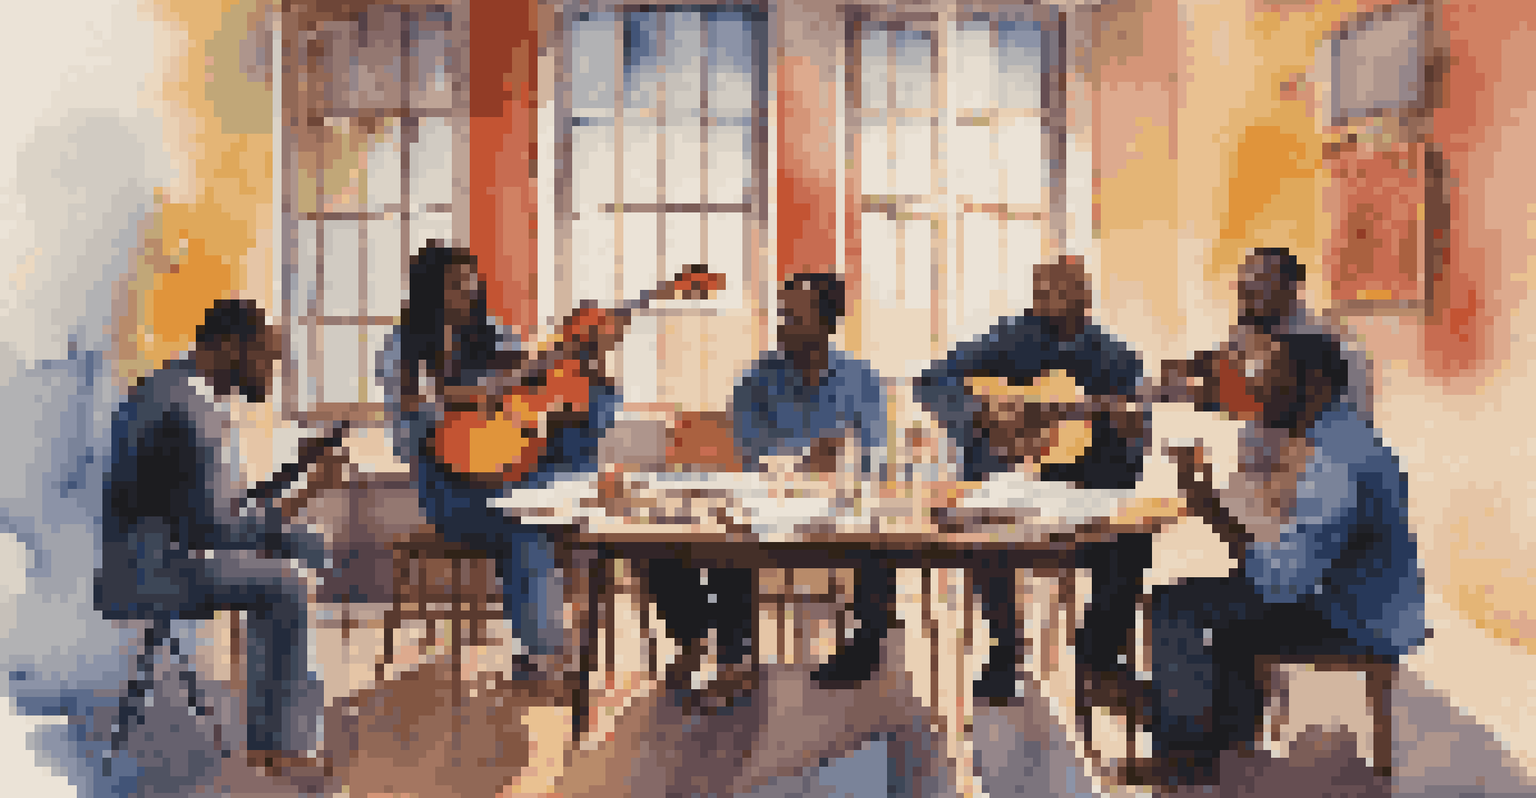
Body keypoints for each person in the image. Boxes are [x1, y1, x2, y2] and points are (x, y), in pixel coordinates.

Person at [1143, 331, 1426, 785]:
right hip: (1369, 600)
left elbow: (1282, 583)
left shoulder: (1337, 458)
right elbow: (1295, 557)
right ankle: (1225, 741)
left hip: (1354, 616)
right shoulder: (1343, 435)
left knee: (1174, 606)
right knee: (1223, 605)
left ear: (1310, 383)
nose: (1258, 389)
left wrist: (1206, 504)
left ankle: (1185, 757)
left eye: (1271, 378)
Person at [97, 299, 346, 778]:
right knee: (285, 583)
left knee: (302, 550)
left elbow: (209, 504)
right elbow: (222, 528)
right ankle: (281, 747)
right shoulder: (194, 405)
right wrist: (310, 491)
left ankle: (289, 714)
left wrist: (296, 471)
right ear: (232, 347)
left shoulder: (174, 386)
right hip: (155, 570)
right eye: (265, 359)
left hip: (144, 557)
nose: (271, 374)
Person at [914, 255, 1150, 702]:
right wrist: (984, 413)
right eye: (1041, 293)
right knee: (988, 533)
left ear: (1085, 297)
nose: (1047, 302)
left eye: (1060, 292)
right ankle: (1006, 650)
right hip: (1011, 479)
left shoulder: (1118, 358)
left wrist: (1124, 430)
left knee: (1133, 540)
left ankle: (1097, 657)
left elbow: (1136, 450)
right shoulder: (1009, 337)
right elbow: (930, 381)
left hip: (1085, 489)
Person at [381, 244, 622, 680]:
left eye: (471, 284)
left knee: (578, 420)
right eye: (455, 285)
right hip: (448, 489)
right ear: (429, 292)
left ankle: (547, 651)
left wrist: (588, 354)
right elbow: (414, 420)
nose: (467, 294)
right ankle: (548, 655)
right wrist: (477, 397)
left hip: (510, 473)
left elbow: (540, 381)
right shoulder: (403, 347)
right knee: (524, 528)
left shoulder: (493, 335)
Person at [647, 273, 892, 699]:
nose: (783, 324)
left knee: (881, 540)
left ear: (826, 323)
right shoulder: (757, 379)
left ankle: (864, 646)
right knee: (667, 544)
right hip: (767, 502)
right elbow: (747, 446)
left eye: (794, 316)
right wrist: (806, 456)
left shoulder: (862, 378)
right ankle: (713, 646)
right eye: (783, 314)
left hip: (840, 506)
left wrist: (829, 462)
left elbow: (872, 452)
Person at [1160, 247, 1374, 417]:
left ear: (1289, 287)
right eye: (1245, 282)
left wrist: (1182, 391)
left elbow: (1256, 394)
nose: (1246, 291)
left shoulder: (1317, 342)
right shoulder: (1256, 331)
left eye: (1259, 282)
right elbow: (1224, 362)